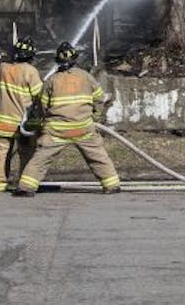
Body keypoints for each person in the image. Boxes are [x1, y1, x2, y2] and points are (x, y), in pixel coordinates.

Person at [15, 42, 121, 196]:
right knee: (98, 156)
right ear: (75, 59)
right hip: (83, 128)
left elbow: (42, 106)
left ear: (57, 60)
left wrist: (40, 124)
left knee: (40, 159)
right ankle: (112, 185)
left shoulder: (51, 80)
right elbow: (99, 98)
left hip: (57, 131)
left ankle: (26, 188)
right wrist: (95, 116)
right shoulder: (86, 77)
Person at [0, 37, 43, 192]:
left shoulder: (3, 69)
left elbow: (0, 64)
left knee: (2, 153)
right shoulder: (31, 71)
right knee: (26, 153)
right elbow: (38, 95)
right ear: (31, 55)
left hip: (2, 120)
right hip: (22, 122)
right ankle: (24, 183)